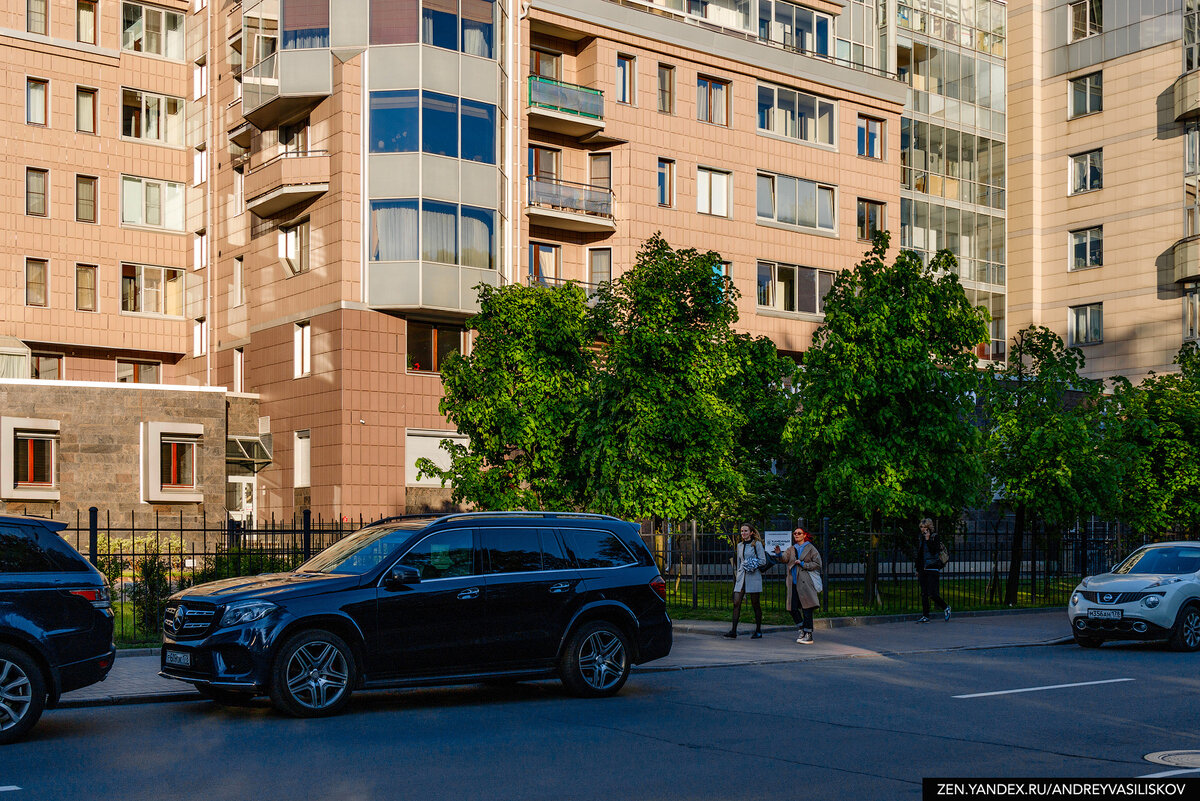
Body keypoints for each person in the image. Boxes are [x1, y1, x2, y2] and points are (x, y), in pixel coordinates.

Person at [774, 527, 822, 644]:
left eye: (799, 533)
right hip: (793, 583)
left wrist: (802, 564)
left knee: (807, 608)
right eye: (795, 533)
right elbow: (785, 559)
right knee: (792, 608)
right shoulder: (792, 548)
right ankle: (801, 629)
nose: (796, 535)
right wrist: (779, 553)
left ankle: (808, 634)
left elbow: (817, 563)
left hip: (805, 582)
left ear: (804, 535)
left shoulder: (810, 548)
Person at [723, 524, 767, 639]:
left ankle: (758, 630)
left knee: (755, 604)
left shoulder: (756, 544)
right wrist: (738, 575)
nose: (743, 533)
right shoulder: (740, 545)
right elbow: (738, 562)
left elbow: (763, 561)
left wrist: (751, 564)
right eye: (742, 531)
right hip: (741, 577)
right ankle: (733, 631)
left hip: (753, 576)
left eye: (746, 531)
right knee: (736, 602)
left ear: (751, 532)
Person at [915, 518, 951, 623]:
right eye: (921, 527)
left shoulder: (935, 537)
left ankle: (945, 607)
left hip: (932, 567)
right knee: (924, 593)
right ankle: (925, 615)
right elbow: (920, 555)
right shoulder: (921, 538)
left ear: (929, 527)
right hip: (923, 568)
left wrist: (928, 539)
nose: (922, 529)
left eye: (924, 527)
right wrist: (917, 568)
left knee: (932, 593)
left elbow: (934, 551)